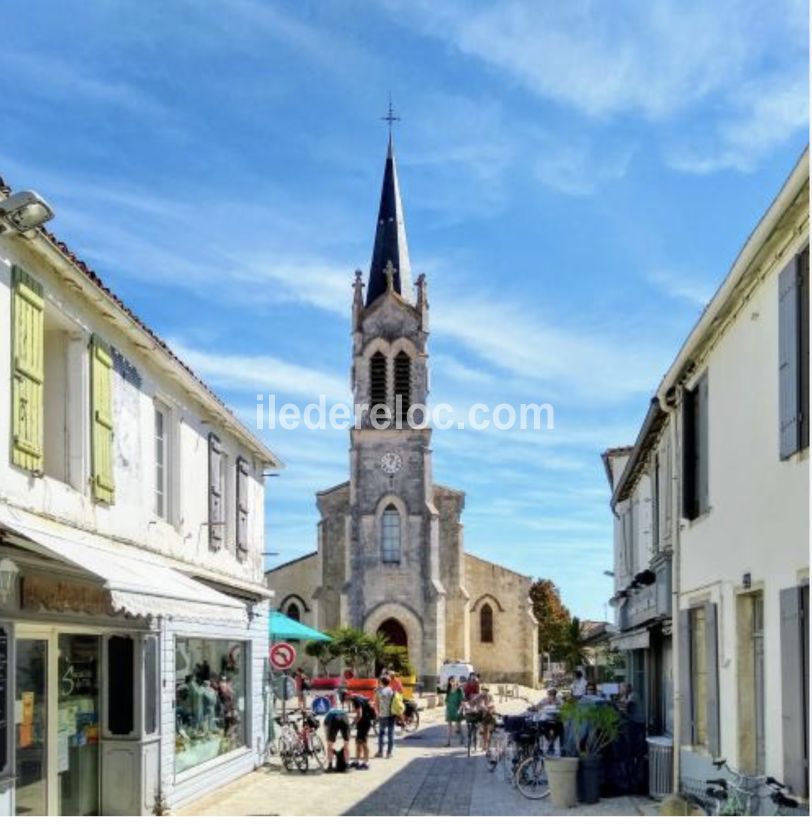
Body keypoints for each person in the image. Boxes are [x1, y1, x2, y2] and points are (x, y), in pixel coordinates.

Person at [465, 685, 496, 751]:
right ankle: (479, 741)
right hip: (480, 714)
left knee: (486, 728)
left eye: (486, 690)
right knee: (478, 725)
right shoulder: (479, 696)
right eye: (483, 690)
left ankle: (485, 745)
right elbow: (471, 702)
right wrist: (466, 704)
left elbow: (492, 703)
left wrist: (487, 706)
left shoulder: (490, 696)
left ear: (487, 691)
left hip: (488, 714)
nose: (484, 691)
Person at [323, 703, 351, 773]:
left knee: (329, 745)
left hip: (333, 719)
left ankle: (330, 766)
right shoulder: (343, 712)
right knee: (346, 744)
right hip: (344, 718)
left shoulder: (329, 713)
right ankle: (347, 765)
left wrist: (328, 739)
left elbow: (325, 725)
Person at [349, 693, 374, 770]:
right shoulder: (361, 700)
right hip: (364, 723)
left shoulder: (356, 701)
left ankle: (366, 762)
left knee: (364, 743)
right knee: (358, 742)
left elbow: (359, 714)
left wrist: (352, 724)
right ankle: (357, 761)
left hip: (364, 724)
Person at [374, 674, 396, 759]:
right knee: (391, 734)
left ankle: (380, 752)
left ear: (381, 682)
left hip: (382, 715)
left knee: (381, 734)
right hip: (391, 715)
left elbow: (376, 704)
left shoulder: (378, 691)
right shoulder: (391, 691)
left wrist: (377, 713)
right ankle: (389, 753)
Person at [444, 676, 465, 746]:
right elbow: (446, 701)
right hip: (450, 710)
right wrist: (446, 710)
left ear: (456, 681)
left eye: (453, 680)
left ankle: (462, 738)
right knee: (449, 726)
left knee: (459, 726)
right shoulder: (448, 690)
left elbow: (462, 702)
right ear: (449, 682)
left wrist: (459, 710)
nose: (452, 682)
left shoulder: (459, 691)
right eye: (451, 681)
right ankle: (448, 742)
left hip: (457, 710)